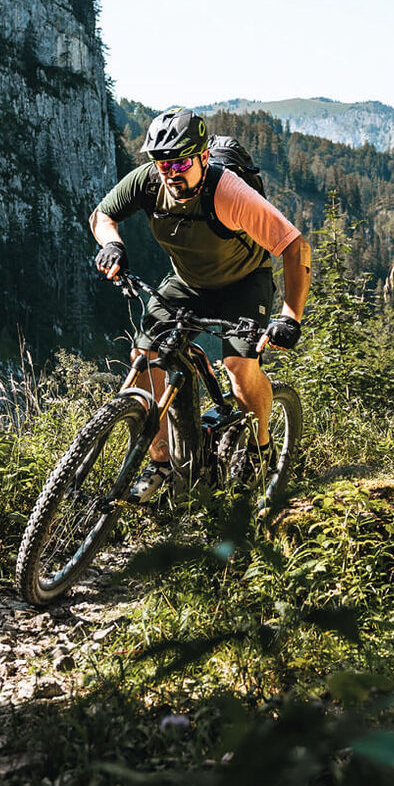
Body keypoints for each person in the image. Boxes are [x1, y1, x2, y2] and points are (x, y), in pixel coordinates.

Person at [90, 107, 310, 502]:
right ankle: (160, 463)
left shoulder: (228, 193)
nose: (170, 171)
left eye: (180, 161)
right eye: (161, 162)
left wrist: (290, 316)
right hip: (188, 281)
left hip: (244, 283)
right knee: (145, 358)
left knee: (240, 366)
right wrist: (112, 244)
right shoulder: (147, 182)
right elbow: (103, 214)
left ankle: (260, 448)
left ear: (203, 157)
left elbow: (294, 247)